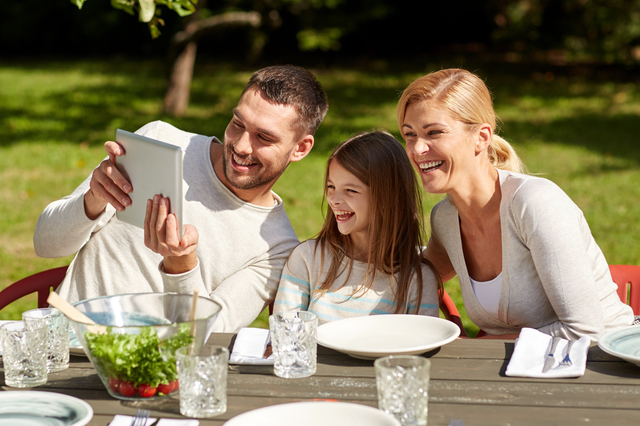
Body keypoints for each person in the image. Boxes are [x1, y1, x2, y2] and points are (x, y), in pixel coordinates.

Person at [33, 65, 329, 332]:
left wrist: (182, 266)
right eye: (238, 123)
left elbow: (210, 332)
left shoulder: (276, 248)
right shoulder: (159, 139)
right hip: (67, 346)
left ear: (300, 148)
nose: (240, 146)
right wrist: (93, 200)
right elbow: (45, 244)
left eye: (263, 138)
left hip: (157, 373)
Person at [396, 68, 634, 341]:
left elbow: (585, 331)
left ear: (481, 137)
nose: (416, 150)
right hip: (524, 371)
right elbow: (419, 272)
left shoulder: (534, 205)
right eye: (410, 134)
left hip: (606, 364)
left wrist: (479, 348)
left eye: (434, 132)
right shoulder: (446, 218)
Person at [273, 131, 440, 324]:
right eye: (331, 187)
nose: (334, 200)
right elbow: (284, 334)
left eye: (350, 190)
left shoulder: (417, 280)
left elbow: (421, 345)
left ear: (388, 199)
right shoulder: (308, 259)